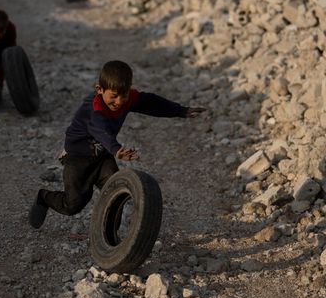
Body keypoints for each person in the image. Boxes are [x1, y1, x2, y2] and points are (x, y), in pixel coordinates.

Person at [29, 60, 205, 229]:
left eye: (124, 95)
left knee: (115, 195)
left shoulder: (125, 98)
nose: (119, 101)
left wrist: (182, 111)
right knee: (73, 204)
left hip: (102, 158)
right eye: (113, 96)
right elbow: (98, 129)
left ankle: (110, 245)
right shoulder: (94, 107)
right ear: (99, 89)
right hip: (77, 158)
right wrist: (116, 149)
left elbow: (151, 103)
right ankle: (43, 197)